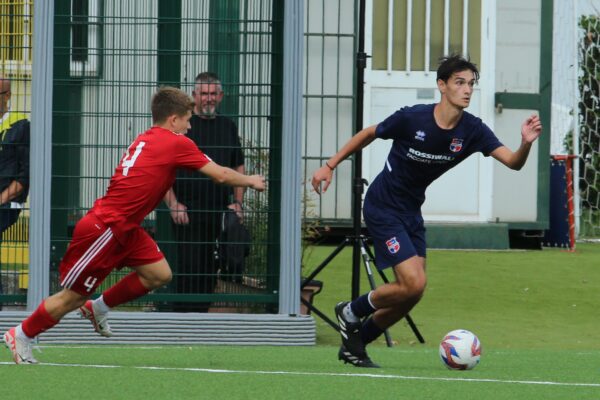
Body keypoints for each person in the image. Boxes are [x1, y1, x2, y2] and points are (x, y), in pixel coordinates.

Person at [2, 86, 266, 364]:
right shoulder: (175, 142)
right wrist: (251, 181)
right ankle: (22, 333)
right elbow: (221, 175)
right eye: (188, 120)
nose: (190, 127)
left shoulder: (147, 137)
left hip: (126, 227)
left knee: (159, 274)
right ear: (173, 119)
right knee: (73, 297)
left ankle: (99, 308)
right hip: (106, 228)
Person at [311, 54, 542, 368]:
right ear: (442, 86)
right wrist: (329, 166)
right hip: (382, 206)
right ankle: (350, 311)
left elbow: (513, 162)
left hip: (410, 213)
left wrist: (525, 142)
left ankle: (356, 344)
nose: (467, 90)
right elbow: (368, 134)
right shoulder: (412, 118)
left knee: (411, 294)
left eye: (471, 84)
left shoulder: (473, 131)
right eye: (459, 83)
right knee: (413, 283)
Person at [163, 72, 245, 312]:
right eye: (204, 94)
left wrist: (238, 203)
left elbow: (237, 165)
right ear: (195, 96)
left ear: (220, 96)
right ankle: (181, 314)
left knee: (211, 267)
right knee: (187, 266)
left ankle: (203, 315)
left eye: (213, 94)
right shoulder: (183, 126)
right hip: (186, 211)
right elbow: (164, 168)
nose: (209, 99)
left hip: (218, 210)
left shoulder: (228, 126)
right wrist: (173, 203)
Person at [0, 77, 30, 310]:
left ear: (8, 96)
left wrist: (2, 198)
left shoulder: (20, 126)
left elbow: (24, 175)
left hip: (6, 203)